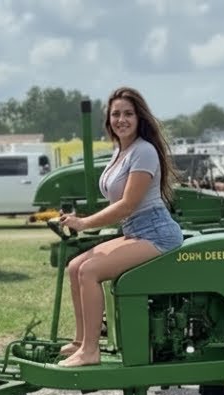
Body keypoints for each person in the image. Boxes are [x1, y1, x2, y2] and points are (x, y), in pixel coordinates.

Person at [56, 86, 183, 368]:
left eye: (128, 114)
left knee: (90, 271)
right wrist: (75, 217)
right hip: (136, 231)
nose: (121, 119)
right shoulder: (120, 151)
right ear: (108, 120)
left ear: (139, 118)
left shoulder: (144, 152)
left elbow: (127, 205)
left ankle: (91, 350)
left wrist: (85, 223)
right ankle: (80, 342)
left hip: (157, 233)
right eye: (116, 114)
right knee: (75, 266)